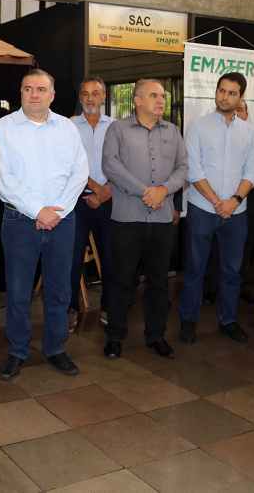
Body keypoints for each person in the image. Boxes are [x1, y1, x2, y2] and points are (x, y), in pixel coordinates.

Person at [0, 69, 88, 379]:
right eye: (28, 88)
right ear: (21, 93)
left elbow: (80, 172)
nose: (34, 94)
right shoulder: (4, 128)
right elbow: (2, 176)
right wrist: (38, 211)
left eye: (41, 89)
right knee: (18, 291)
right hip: (19, 220)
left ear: (52, 95)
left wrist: (57, 211)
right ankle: (18, 350)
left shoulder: (67, 128)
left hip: (63, 219)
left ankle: (55, 347)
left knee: (59, 289)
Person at [102, 79, 187, 359]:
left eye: (163, 96)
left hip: (162, 221)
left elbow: (183, 168)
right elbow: (111, 166)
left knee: (159, 282)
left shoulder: (173, 131)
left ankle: (156, 336)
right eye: (154, 95)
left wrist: (163, 190)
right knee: (121, 281)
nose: (161, 100)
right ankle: (115, 336)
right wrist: (145, 192)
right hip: (127, 219)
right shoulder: (118, 129)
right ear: (137, 100)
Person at [178, 72, 254, 344]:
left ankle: (228, 320)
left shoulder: (248, 131)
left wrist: (234, 201)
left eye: (232, 93)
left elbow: (251, 172)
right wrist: (216, 202)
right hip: (203, 208)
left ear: (241, 97)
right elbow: (194, 171)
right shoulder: (198, 127)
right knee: (195, 268)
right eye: (221, 91)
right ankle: (189, 320)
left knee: (233, 270)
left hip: (237, 212)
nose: (225, 97)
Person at [69, 77, 113, 329]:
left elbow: (123, 162)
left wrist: (107, 191)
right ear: (80, 98)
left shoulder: (116, 127)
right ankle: (70, 309)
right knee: (73, 259)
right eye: (85, 94)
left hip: (111, 200)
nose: (90, 99)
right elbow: (68, 163)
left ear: (104, 97)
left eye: (95, 93)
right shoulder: (69, 126)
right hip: (78, 200)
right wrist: (97, 189)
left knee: (111, 258)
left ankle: (109, 307)